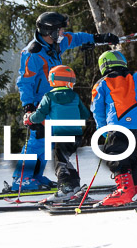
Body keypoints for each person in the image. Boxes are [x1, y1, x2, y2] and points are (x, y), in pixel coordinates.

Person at [11, 12, 118, 191]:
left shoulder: (55, 43)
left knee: (49, 141)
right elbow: (24, 82)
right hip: (39, 103)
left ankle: (35, 177)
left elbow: (75, 38)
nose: (62, 33)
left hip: (54, 102)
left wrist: (98, 38)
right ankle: (22, 179)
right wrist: (28, 107)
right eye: (59, 30)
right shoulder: (33, 53)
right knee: (38, 140)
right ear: (50, 31)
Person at [91, 50, 137, 206]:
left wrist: (103, 129)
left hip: (117, 123)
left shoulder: (102, 83)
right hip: (135, 124)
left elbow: (97, 110)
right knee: (131, 157)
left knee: (115, 155)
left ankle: (125, 191)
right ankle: (135, 189)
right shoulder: (133, 77)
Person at [23, 65, 91, 201]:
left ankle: (65, 189)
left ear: (53, 80)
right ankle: (75, 187)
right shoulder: (74, 96)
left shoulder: (49, 96)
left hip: (62, 135)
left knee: (60, 163)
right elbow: (85, 114)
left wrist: (29, 118)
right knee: (65, 160)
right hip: (77, 136)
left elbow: (39, 116)